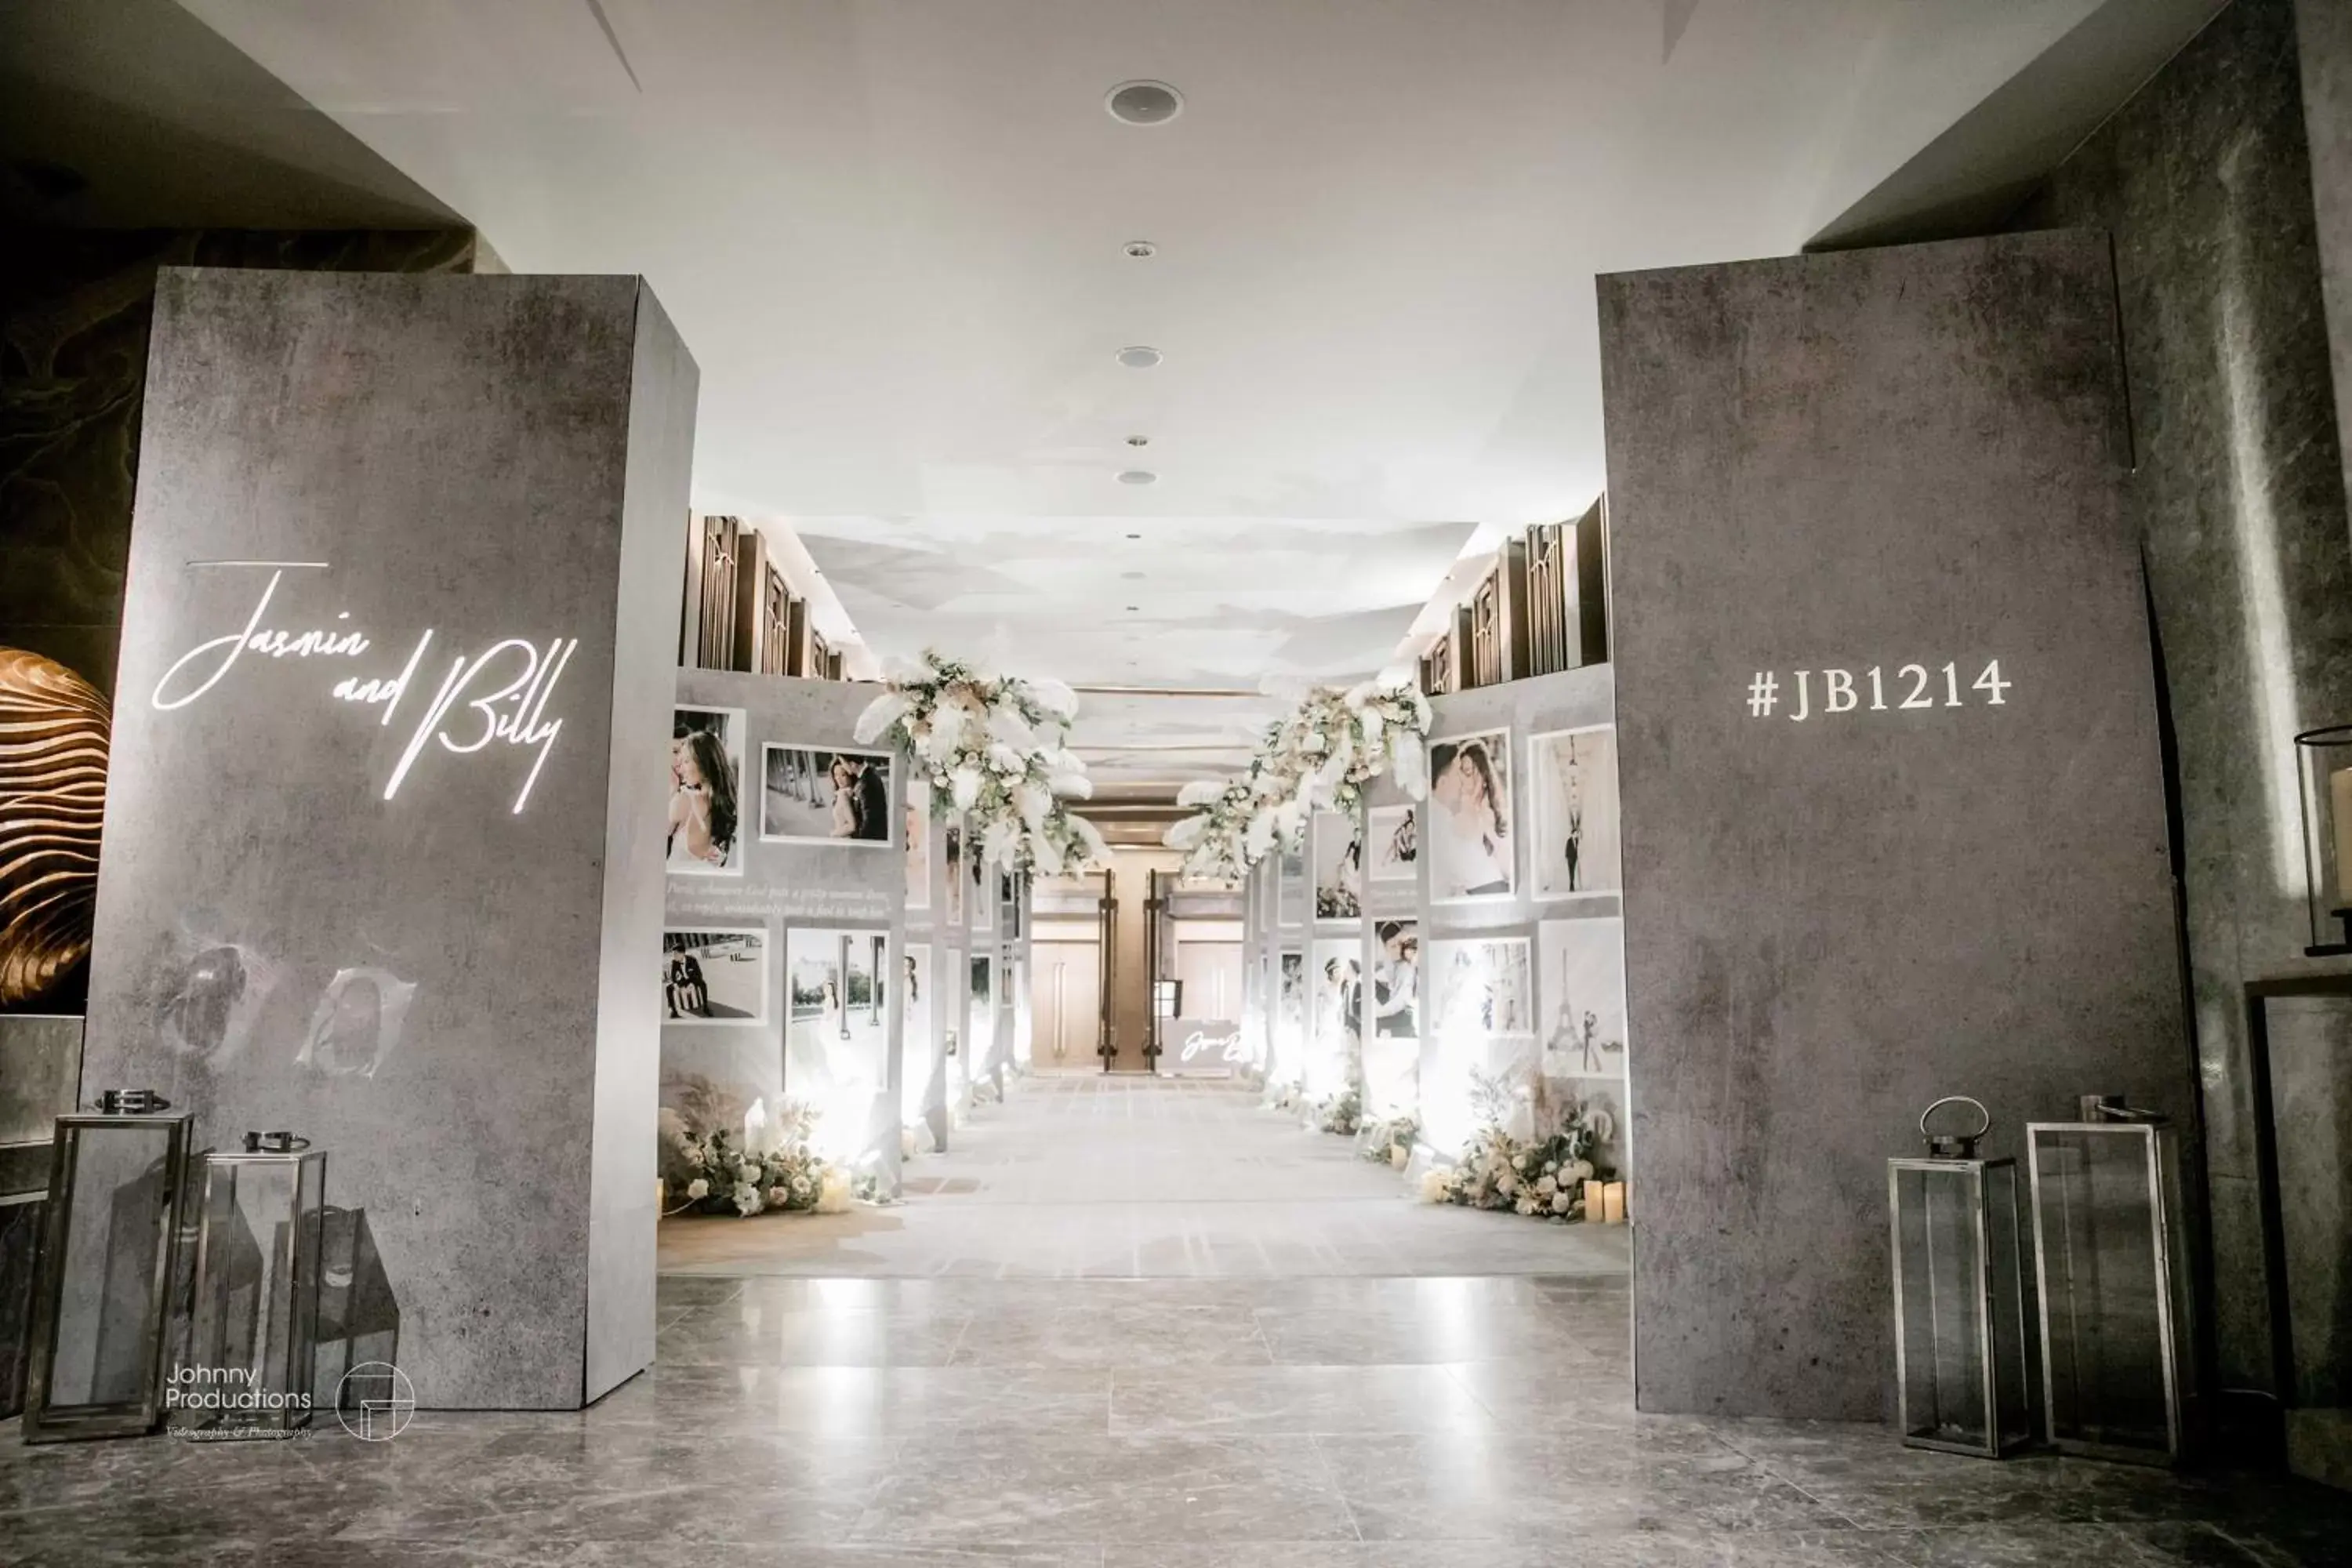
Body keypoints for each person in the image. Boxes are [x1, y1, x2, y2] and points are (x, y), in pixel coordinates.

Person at [1428, 737, 1510, 896]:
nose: (1461, 780)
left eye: (1466, 773)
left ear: (1483, 777)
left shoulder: (1494, 817)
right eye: (1459, 773)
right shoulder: (1452, 819)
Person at [668, 726, 739, 871]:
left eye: (686, 761)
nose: (681, 769)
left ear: (704, 763)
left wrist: (673, 790)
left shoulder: (684, 800)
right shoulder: (728, 805)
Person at [1373, 921, 1417, 1038]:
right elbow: (1385, 976)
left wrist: (1378, 1012)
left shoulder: (1408, 967)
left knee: (1374, 1024)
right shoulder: (1389, 961)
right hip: (1392, 1000)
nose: (1398, 949)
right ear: (1385, 948)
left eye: (1399, 944)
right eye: (1393, 946)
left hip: (1406, 1012)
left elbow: (1401, 1001)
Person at [854, 755, 891, 841]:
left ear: (852, 764)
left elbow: (869, 818)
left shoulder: (866, 782)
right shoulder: (869, 775)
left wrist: (860, 840)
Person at [828, 757, 859, 838]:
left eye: (843, 775)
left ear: (849, 775)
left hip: (846, 839)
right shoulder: (850, 792)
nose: (839, 779)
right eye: (836, 775)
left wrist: (833, 834)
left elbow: (852, 826)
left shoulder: (843, 795)